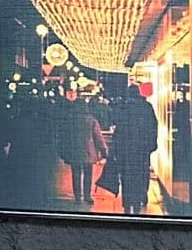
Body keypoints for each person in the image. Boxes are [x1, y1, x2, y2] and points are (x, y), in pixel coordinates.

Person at [111, 84, 159, 215]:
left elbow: (119, 130)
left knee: (126, 176)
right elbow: (153, 127)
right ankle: (139, 200)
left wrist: (116, 149)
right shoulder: (147, 107)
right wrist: (151, 145)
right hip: (142, 149)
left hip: (125, 150)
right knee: (141, 174)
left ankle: (127, 203)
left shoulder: (124, 108)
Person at [58, 93, 108, 206]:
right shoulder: (92, 121)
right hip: (88, 152)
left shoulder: (70, 120)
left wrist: (62, 150)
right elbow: (98, 137)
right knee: (88, 174)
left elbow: (64, 136)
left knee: (76, 174)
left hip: (74, 151)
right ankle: (87, 195)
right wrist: (104, 151)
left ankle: (78, 196)